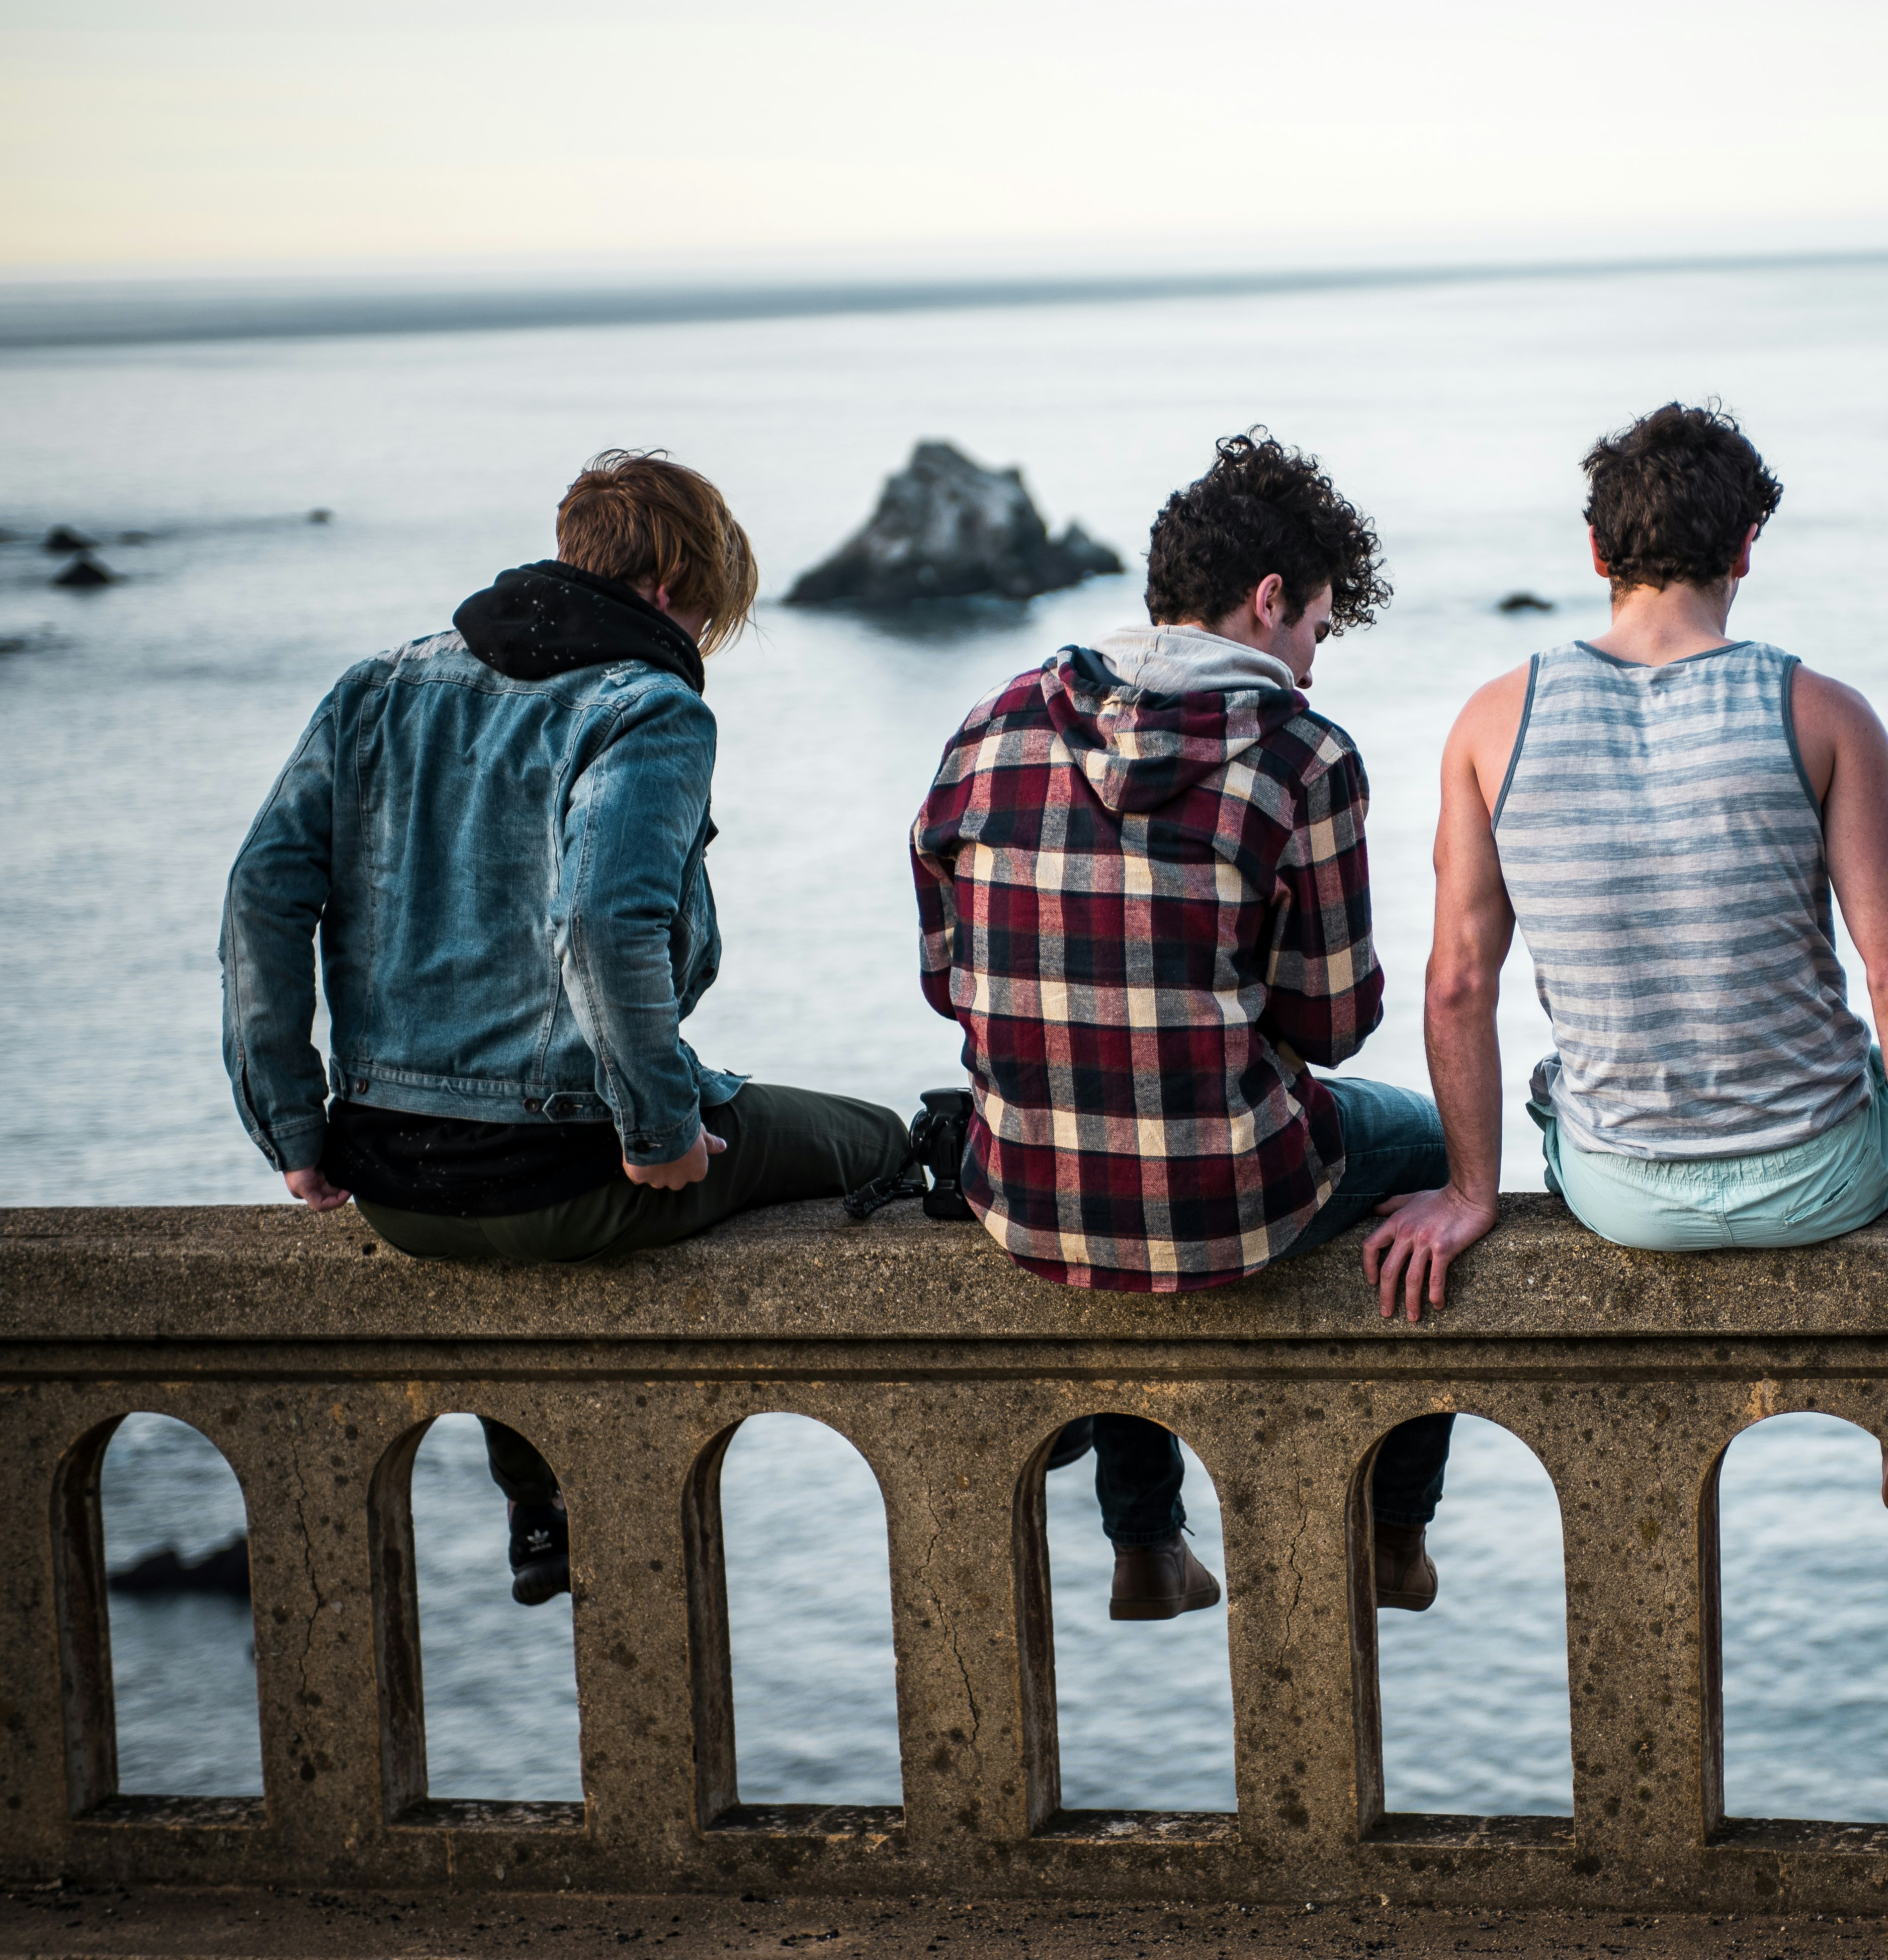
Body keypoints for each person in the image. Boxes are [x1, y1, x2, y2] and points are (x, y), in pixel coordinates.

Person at [221, 449, 912, 1606]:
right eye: (705, 611)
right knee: (877, 1140)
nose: (701, 635)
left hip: (391, 1184)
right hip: (565, 1169)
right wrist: (659, 1127)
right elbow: (602, 925)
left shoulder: (375, 687)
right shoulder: (648, 706)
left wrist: (292, 1125)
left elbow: (261, 892)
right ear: (673, 582)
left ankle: (537, 1506)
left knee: (516, 1221)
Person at [1360, 402, 1888, 1515]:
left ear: (1597, 555)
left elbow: (1458, 984)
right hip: (1821, 1178)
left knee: (1567, 1086)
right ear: (1746, 550)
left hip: (1619, 1196)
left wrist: (1464, 1189)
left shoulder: (1493, 724)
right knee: (1876, 1085)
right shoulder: (1821, 713)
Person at [912, 429, 1455, 1619]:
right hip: (1231, 1204)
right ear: (1270, 602)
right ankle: (1394, 1530)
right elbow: (1335, 1019)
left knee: (1101, 1117)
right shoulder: (1301, 753)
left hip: (1019, 1188)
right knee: (1435, 1154)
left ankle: (1145, 1542)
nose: (1312, 666)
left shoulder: (992, 723)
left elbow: (949, 976)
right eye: (1315, 627)